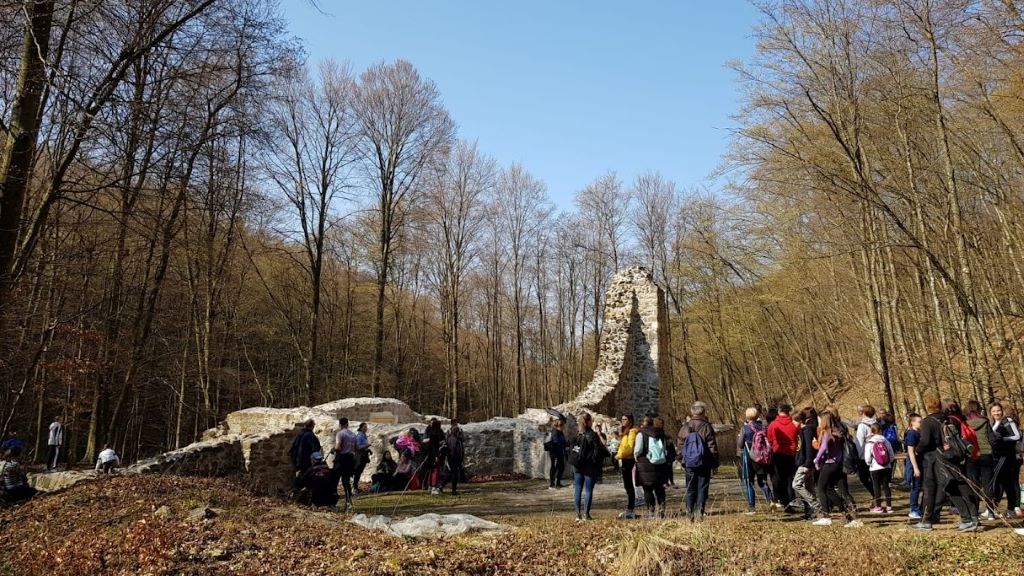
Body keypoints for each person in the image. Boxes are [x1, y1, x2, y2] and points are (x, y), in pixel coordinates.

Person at [811, 412, 861, 527]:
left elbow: (823, 448)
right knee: (829, 489)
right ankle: (846, 514)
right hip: (838, 464)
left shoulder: (826, 433)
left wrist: (817, 460)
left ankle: (826, 516)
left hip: (829, 464)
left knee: (820, 488)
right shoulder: (838, 432)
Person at [680, 401, 719, 522]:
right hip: (704, 462)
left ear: (692, 413)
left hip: (689, 463)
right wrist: (714, 463)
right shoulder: (707, 427)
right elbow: (712, 446)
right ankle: (699, 512)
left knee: (690, 488)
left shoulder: (685, 427)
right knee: (702, 488)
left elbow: (680, 445)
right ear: (703, 412)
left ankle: (689, 512)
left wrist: (682, 460)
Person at [738, 407, 774, 514]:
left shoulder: (745, 428)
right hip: (761, 458)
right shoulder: (763, 427)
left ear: (747, 416)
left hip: (749, 458)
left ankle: (752, 507)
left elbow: (740, 445)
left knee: (749, 481)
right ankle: (771, 500)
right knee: (762, 481)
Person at [570, 412, 605, 521]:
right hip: (589, 466)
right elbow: (597, 451)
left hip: (577, 465)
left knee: (577, 489)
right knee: (588, 490)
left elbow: (571, 448)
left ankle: (577, 514)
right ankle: (586, 514)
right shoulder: (593, 435)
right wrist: (595, 462)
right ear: (589, 422)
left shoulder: (577, 434)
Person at [990, 402, 1022, 519]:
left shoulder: (1007, 420)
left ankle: (1005, 508)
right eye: (993, 411)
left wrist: (1002, 439)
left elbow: (1017, 436)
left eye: (998, 410)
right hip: (997, 456)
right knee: (1005, 483)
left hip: (1007, 456)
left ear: (1002, 410)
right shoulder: (993, 423)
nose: (996, 413)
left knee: (1002, 482)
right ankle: (1007, 509)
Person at [966, 401, 996, 520]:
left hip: (971, 455)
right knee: (988, 484)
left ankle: (974, 513)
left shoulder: (964, 423)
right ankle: (990, 511)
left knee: (974, 485)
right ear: (978, 409)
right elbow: (992, 438)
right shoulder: (985, 421)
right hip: (986, 454)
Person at [633, 416, 668, 518]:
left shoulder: (641, 434)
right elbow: (664, 448)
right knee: (659, 488)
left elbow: (638, 449)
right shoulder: (660, 434)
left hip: (645, 465)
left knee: (647, 489)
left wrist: (635, 456)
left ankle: (651, 511)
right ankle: (661, 510)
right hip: (660, 464)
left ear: (643, 424)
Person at [767, 404, 799, 511]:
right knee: (790, 478)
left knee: (780, 479)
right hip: (791, 453)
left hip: (778, 453)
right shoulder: (794, 424)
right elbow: (797, 436)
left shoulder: (773, 425)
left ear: (779, 411)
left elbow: (770, 439)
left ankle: (784, 502)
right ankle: (791, 501)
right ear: (788, 412)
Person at [791, 408, 821, 520]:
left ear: (799, 421)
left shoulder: (807, 430)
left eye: (793, 422)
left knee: (796, 484)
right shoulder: (802, 431)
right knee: (809, 487)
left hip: (805, 463)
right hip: (803, 462)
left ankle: (817, 506)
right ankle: (813, 512)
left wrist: (808, 464)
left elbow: (809, 448)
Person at [864, 423, 895, 513]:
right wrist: (888, 462)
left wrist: (870, 463)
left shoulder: (870, 442)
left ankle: (878, 506)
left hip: (875, 467)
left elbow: (867, 458)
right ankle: (889, 506)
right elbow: (891, 454)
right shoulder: (886, 441)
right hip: (886, 467)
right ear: (881, 431)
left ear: (872, 432)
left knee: (876, 486)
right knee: (886, 486)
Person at [289, 419, 321, 496]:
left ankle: (295, 493)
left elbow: (293, 447)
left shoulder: (299, 434)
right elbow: (316, 447)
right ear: (312, 426)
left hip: (297, 460)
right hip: (306, 460)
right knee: (307, 477)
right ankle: (305, 495)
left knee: (299, 476)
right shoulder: (310, 435)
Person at [615, 414, 638, 519]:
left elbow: (630, 448)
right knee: (627, 486)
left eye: (625, 419)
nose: (622, 421)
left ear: (630, 420)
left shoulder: (632, 432)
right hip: (624, 460)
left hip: (628, 460)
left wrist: (619, 455)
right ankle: (629, 508)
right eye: (622, 419)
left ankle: (630, 509)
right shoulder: (625, 432)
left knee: (629, 486)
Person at [333, 417, 357, 511]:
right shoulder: (353, 434)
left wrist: (333, 449)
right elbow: (356, 448)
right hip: (350, 459)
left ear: (340, 425)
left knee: (334, 479)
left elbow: (338, 447)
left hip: (341, 458)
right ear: (347, 424)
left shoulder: (340, 434)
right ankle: (348, 501)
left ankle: (333, 501)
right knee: (346, 481)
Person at [853, 405, 877, 499]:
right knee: (873, 478)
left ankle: (875, 496)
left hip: (864, 455)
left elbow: (859, 442)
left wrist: (857, 456)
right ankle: (876, 496)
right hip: (876, 453)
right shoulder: (876, 423)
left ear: (864, 413)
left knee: (864, 478)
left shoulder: (862, 426)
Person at [904, 414, 923, 519]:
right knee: (915, 487)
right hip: (913, 464)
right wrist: (915, 468)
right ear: (913, 422)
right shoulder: (911, 434)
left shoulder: (919, 433)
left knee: (919, 487)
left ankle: (918, 508)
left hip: (920, 462)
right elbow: (911, 452)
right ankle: (913, 509)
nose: (921, 423)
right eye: (919, 421)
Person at [423, 419, 447, 495]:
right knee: (435, 470)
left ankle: (431, 486)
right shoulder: (431, 433)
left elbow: (441, 441)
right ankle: (433, 487)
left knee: (434, 470)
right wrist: (436, 456)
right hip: (431, 454)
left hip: (435, 453)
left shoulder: (438, 432)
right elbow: (432, 445)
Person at [445, 419, 466, 495]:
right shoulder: (452, 437)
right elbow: (453, 448)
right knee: (453, 473)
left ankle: (442, 485)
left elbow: (463, 439)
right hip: (453, 457)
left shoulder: (457, 436)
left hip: (456, 457)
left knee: (452, 473)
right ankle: (451, 489)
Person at [546, 419, 567, 489]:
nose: (564, 427)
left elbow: (563, 441)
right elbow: (556, 442)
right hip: (555, 453)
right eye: (563, 426)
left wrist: (566, 444)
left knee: (561, 467)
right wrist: (564, 444)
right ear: (559, 426)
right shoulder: (555, 432)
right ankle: (551, 484)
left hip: (560, 452)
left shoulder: (560, 432)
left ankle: (558, 482)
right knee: (554, 467)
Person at [352, 423, 371, 494]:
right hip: (359, 457)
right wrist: (366, 445)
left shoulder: (364, 436)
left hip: (363, 456)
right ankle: (354, 488)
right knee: (357, 472)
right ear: (361, 428)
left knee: (359, 472)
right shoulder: (359, 436)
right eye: (364, 427)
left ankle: (355, 487)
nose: (366, 428)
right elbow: (357, 447)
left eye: (366, 427)